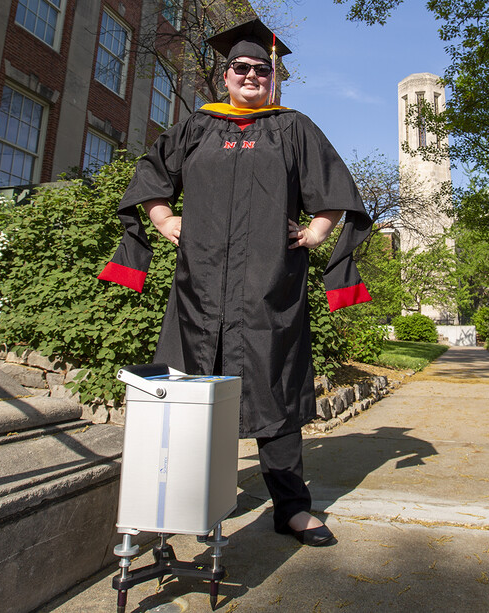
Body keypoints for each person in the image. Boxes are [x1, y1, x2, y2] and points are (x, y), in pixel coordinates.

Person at [98, 18, 372, 547]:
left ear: (274, 77)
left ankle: (291, 508)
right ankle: (192, 501)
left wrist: (316, 232)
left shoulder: (294, 127)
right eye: (240, 68)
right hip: (198, 287)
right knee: (192, 390)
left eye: (261, 69)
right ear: (224, 76)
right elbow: (151, 178)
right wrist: (162, 218)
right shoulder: (196, 127)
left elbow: (336, 192)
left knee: (274, 389)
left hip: (270, 286)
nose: (250, 75)